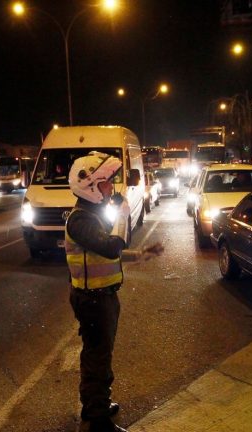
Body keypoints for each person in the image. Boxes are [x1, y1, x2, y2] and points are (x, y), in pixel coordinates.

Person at [65, 151, 164, 432]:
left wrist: (141, 254)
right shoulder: (80, 220)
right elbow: (110, 246)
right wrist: (123, 214)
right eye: (107, 182)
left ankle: (96, 404)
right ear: (90, 186)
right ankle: (97, 420)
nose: (112, 188)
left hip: (101, 296)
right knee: (98, 357)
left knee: (99, 354)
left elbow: (112, 253)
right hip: (93, 300)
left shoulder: (92, 216)